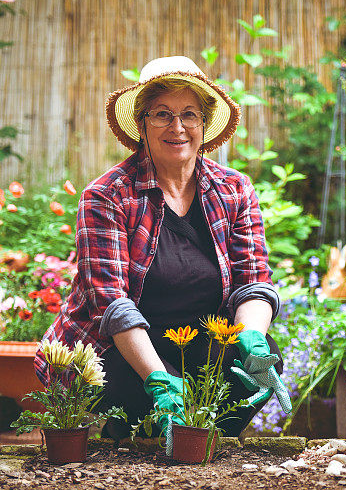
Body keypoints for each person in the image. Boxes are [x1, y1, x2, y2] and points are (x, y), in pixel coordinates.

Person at [34, 56, 290, 450]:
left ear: (204, 125)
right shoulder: (107, 196)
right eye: (162, 115)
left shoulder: (234, 190)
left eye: (189, 114)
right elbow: (111, 304)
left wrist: (253, 339)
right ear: (141, 124)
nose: (178, 127)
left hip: (199, 344)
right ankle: (133, 438)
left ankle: (203, 444)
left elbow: (253, 281)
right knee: (129, 390)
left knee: (259, 362)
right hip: (124, 349)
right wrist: (158, 376)